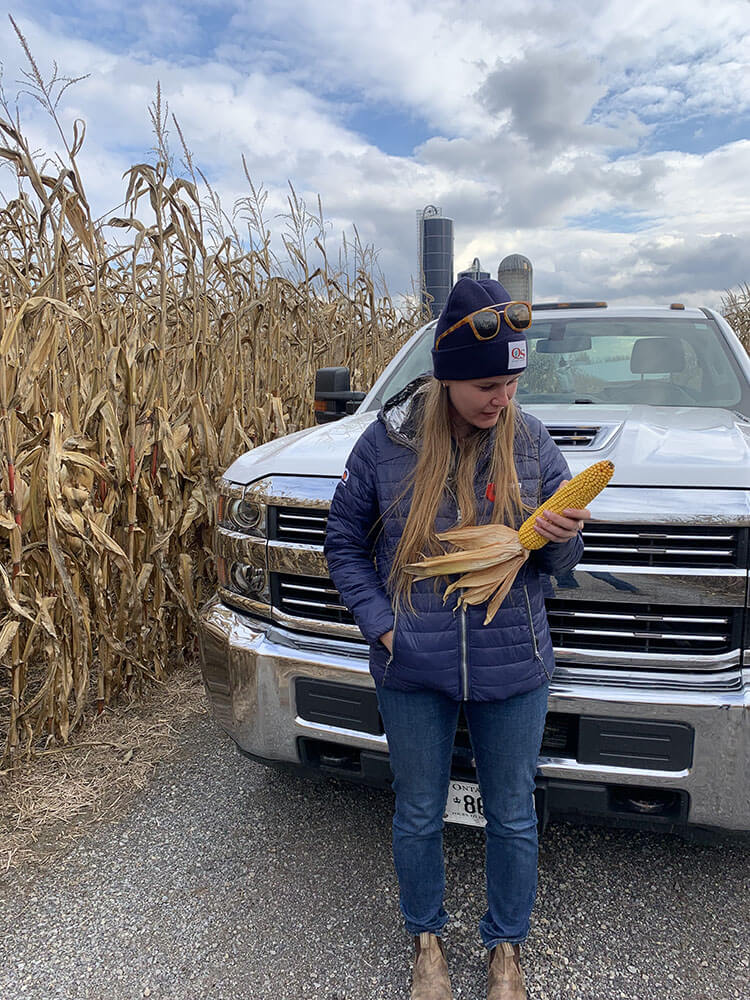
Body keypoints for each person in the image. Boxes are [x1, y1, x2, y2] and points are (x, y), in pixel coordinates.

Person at [324, 277, 590, 1000]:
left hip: (515, 667)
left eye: (510, 380)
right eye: (484, 385)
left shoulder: (531, 441)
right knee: (417, 809)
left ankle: (505, 949)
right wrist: (382, 626)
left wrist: (562, 539)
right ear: (445, 375)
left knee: (511, 812)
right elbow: (343, 544)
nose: (500, 398)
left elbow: (561, 568)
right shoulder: (387, 445)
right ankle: (427, 941)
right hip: (412, 665)